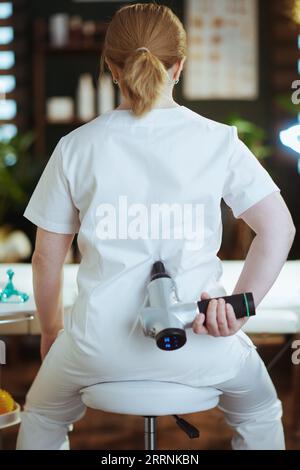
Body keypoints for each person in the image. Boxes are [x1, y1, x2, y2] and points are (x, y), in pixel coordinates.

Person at [17, 3, 295, 450]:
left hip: (95, 348)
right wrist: (238, 310)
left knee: (44, 415)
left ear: (111, 68)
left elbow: (47, 255)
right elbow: (279, 229)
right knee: (261, 410)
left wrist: (52, 334)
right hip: (202, 342)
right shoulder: (218, 140)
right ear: (179, 66)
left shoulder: (75, 147)